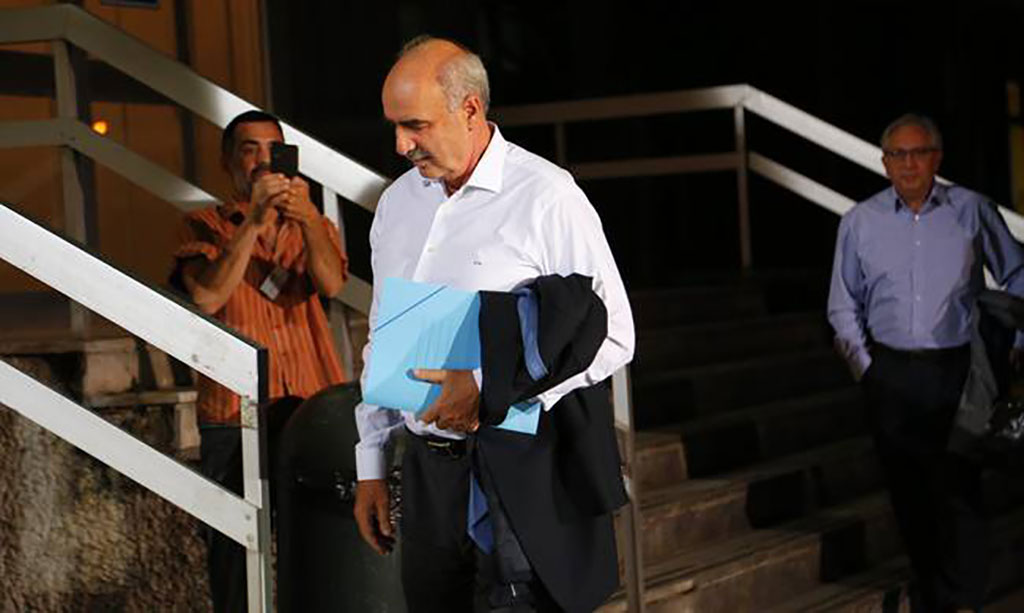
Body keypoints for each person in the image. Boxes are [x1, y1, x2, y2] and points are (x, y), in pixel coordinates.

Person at [352, 36, 634, 612]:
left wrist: (488, 389)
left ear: (470, 109)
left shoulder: (546, 196)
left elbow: (613, 336)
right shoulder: (398, 203)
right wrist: (372, 463)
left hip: (521, 473)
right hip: (429, 478)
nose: (400, 144)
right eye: (394, 126)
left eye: (415, 125)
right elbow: (383, 335)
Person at [827, 113, 1024, 613]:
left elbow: (1018, 274)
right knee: (908, 491)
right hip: (891, 374)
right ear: (885, 163)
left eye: (918, 153)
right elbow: (842, 305)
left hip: (959, 371)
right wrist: (867, 369)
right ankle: (936, 595)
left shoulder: (972, 209)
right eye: (898, 155)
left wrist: (1018, 341)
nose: (908, 164)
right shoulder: (859, 222)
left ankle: (964, 600)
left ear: (936, 158)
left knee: (959, 486)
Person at [172, 109, 348, 612]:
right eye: (250, 150)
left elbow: (332, 283)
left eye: (274, 150)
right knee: (233, 556)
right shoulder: (205, 225)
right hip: (235, 412)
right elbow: (208, 296)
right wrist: (252, 222)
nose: (263, 161)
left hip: (308, 404)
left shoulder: (311, 225)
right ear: (228, 161)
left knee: (315, 543)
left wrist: (307, 218)